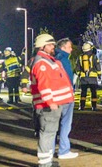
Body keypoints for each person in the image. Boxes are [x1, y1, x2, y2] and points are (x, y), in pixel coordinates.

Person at [30, 33, 75, 166]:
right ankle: (45, 164)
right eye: (50, 45)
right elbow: (44, 84)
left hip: (53, 105)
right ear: (42, 46)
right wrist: (51, 102)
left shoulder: (49, 60)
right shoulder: (42, 63)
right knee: (47, 134)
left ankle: (47, 162)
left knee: (50, 134)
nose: (53, 47)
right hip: (48, 106)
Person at [54, 38, 78, 159]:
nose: (71, 49)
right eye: (69, 47)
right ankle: (63, 150)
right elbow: (67, 78)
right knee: (65, 124)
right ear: (63, 48)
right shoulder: (63, 60)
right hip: (65, 96)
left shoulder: (54, 58)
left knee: (54, 125)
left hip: (56, 96)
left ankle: (51, 149)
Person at [75, 41, 101, 111]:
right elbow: (98, 66)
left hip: (83, 78)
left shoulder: (80, 57)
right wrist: (99, 75)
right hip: (93, 77)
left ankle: (82, 106)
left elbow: (77, 67)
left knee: (83, 93)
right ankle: (94, 107)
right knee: (93, 93)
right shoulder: (94, 56)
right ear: (90, 48)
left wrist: (79, 74)